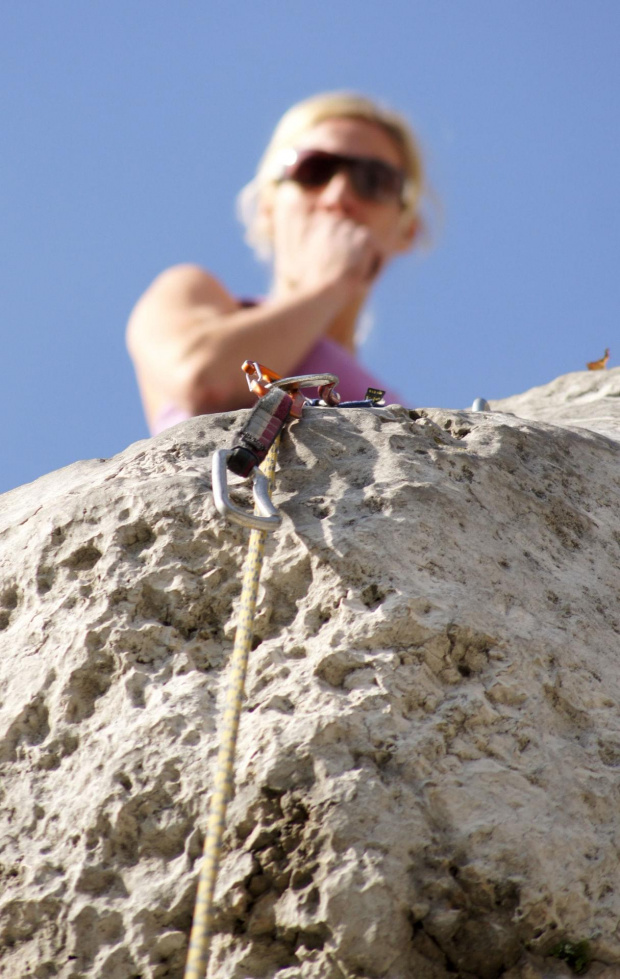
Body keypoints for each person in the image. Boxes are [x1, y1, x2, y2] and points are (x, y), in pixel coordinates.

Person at [126, 91, 427, 435]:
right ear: (267, 208)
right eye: (313, 169)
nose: (338, 196)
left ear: (407, 230)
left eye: (374, 181)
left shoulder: (396, 408)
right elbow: (207, 382)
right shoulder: (190, 294)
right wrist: (329, 284)